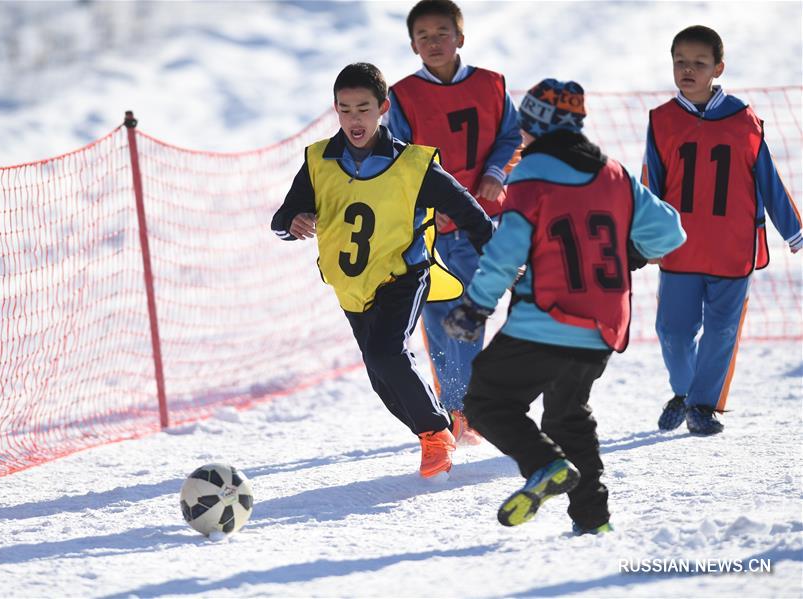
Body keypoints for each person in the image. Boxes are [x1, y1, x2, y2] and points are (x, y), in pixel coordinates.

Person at [443, 79, 686, 534]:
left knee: (486, 400)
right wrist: (627, 254)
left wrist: (475, 305)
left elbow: (508, 249)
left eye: (525, 128)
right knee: (567, 416)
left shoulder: (531, 174)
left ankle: (543, 465)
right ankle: (594, 521)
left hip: (546, 318)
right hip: (604, 326)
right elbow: (670, 233)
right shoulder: (613, 173)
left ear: (535, 127)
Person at [271, 63, 493, 479]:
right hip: (353, 287)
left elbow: (469, 211)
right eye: (345, 109)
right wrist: (292, 221)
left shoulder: (412, 164)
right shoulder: (319, 160)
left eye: (363, 109)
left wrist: (497, 257)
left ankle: (436, 434)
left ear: (383, 108)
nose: (355, 119)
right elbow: (283, 214)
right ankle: (434, 429)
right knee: (380, 374)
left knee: (385, 353)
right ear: (335, 110)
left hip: (404, 275)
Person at [644, 25, 802, 436]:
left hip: (733, 249)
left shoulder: (744, 119)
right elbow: (651, 183)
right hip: (681, 249)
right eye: (681, 62)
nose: (688, 70)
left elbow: (768, 180)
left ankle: (700, 406)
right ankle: (684, 391)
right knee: (673, 333)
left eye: (699, 63)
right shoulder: (661, 120)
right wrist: (643, 236)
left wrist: (794, 230)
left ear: (718, 67)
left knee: (721, 332)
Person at [386, 0, 522, 446]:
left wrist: (494, 175)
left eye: (441, 33)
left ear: (459, 37)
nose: (433, 42)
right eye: (423, 36)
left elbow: (509, 137)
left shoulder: (491, 84)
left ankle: (468, 405)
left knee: (470, 310)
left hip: (484, 221)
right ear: (412, 45)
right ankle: (456, 408)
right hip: (431, 226)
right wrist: (429, 202)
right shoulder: (403, 95)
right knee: (438, 311)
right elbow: (399, 158)